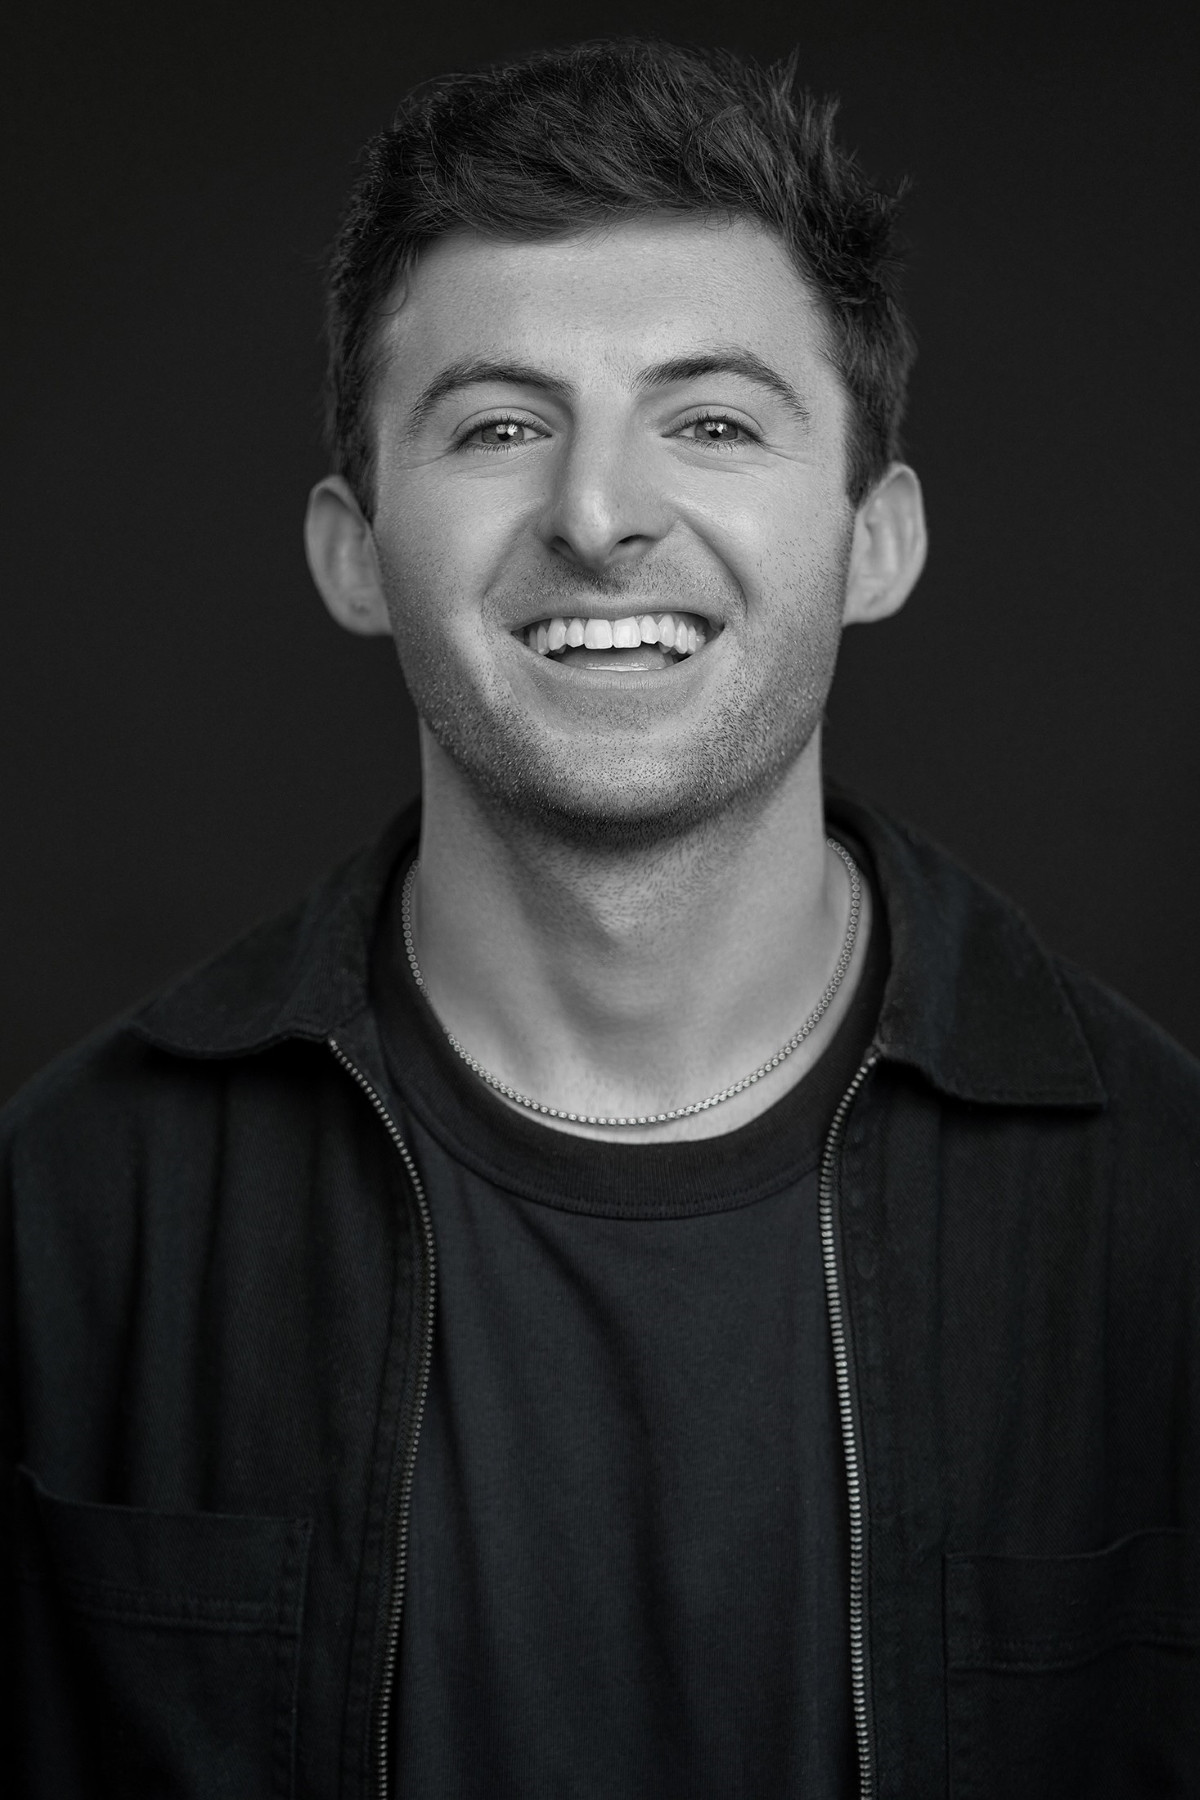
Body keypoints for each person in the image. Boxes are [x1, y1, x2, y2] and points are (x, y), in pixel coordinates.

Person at [3, 36, 1198, 1800]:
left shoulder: (1168, 1217)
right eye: (500, 426)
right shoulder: (66, 1224)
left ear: (875, 538)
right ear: (354, 549)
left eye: (710, 422)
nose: (598, 514)